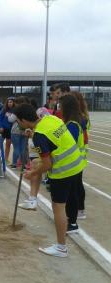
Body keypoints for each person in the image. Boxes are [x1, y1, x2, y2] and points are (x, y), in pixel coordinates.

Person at [14, 103, 86, 258]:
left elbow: (47, 164)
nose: (18, 124)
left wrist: (33, 173)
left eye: (18, 121)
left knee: (58, 208)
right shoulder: (50, 118)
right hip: (76, 165)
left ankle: (61, 248)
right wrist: (33, 135)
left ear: (24, 120)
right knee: (69, 202)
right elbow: (53, 140)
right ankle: (68, 232)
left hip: (63, 171)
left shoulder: (39, 135)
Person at [59, 94, 87, 233]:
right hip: (75, 163)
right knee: (72, 192)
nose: (59, 109)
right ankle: (71, 220)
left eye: (60, 106)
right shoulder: (70, 123)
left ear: (67, 108)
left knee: (72, 193)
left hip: (74, 164)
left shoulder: (73, 125)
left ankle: (73, 222)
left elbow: (69, 144)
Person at [71, 91, 90, 219]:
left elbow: (84, 138)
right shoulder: (78, 116)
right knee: (76, 183)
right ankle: (79, 209)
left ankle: (80, 210)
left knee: (77, 184)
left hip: (78, 154)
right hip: (78, 153)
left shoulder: (80, 117)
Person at [0, 97, 14, 162]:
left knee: (8, 145)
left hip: (10, 130)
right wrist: (0, 127)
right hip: (2, 130)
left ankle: (5, 159)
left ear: (13, 102)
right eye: (8, 102)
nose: (9, 103)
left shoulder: (15, 111)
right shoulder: (4, 109)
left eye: (11, 102)